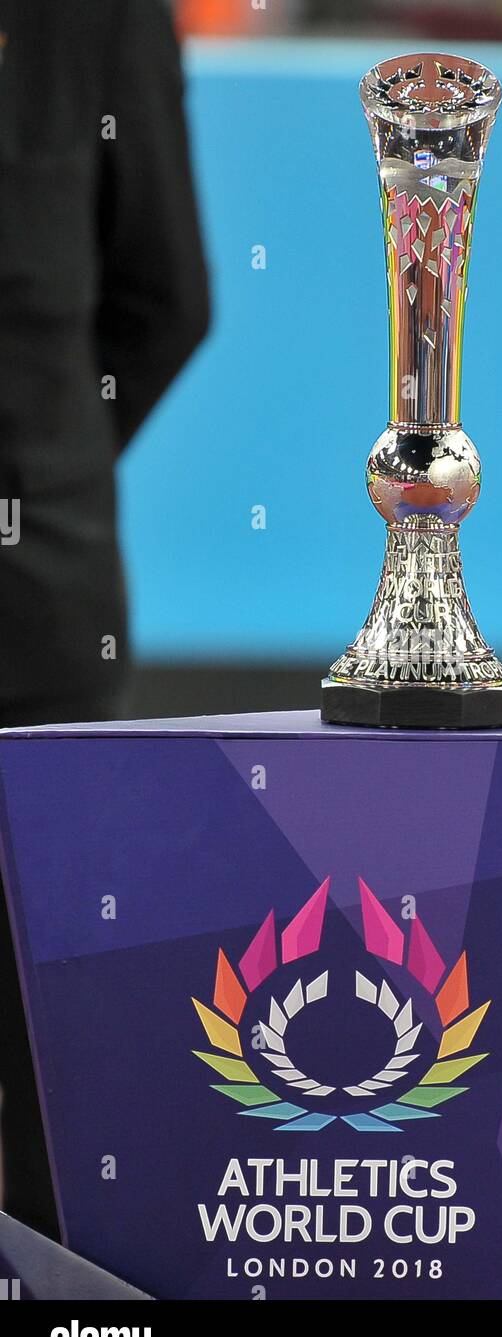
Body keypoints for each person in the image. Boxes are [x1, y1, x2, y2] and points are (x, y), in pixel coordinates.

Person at [0, 0, 210, 1239]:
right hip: (42, 573)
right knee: (47, 1010)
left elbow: (164, 299)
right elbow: (165, 295)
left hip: (39, 597)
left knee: (49, 1019)